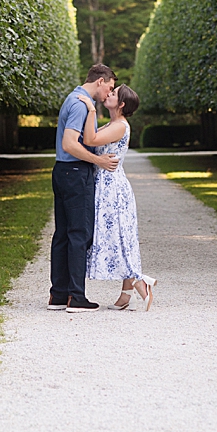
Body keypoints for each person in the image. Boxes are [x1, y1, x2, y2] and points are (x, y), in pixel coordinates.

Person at [77, 84, 156, 311]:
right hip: (106, 185)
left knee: (119, 237)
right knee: (120, 236)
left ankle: (140, 282)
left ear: (121, 104)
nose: (108, 94)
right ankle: (127, 293)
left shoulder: (120, 126)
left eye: (113, 93)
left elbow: (90, 140)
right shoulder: (113, 124)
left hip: (112, 188)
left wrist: (92, 110)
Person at [49, 64, 119, 313]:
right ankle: (76, 296)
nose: (108, 93)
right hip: (76, 173)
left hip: (62, 171)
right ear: (100, 81)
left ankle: (58, 295)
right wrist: (98, 160)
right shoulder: (80, 104)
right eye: (109, 87)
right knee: (79, 234)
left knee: (62, 234)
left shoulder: (73, 98)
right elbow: (69, 144)